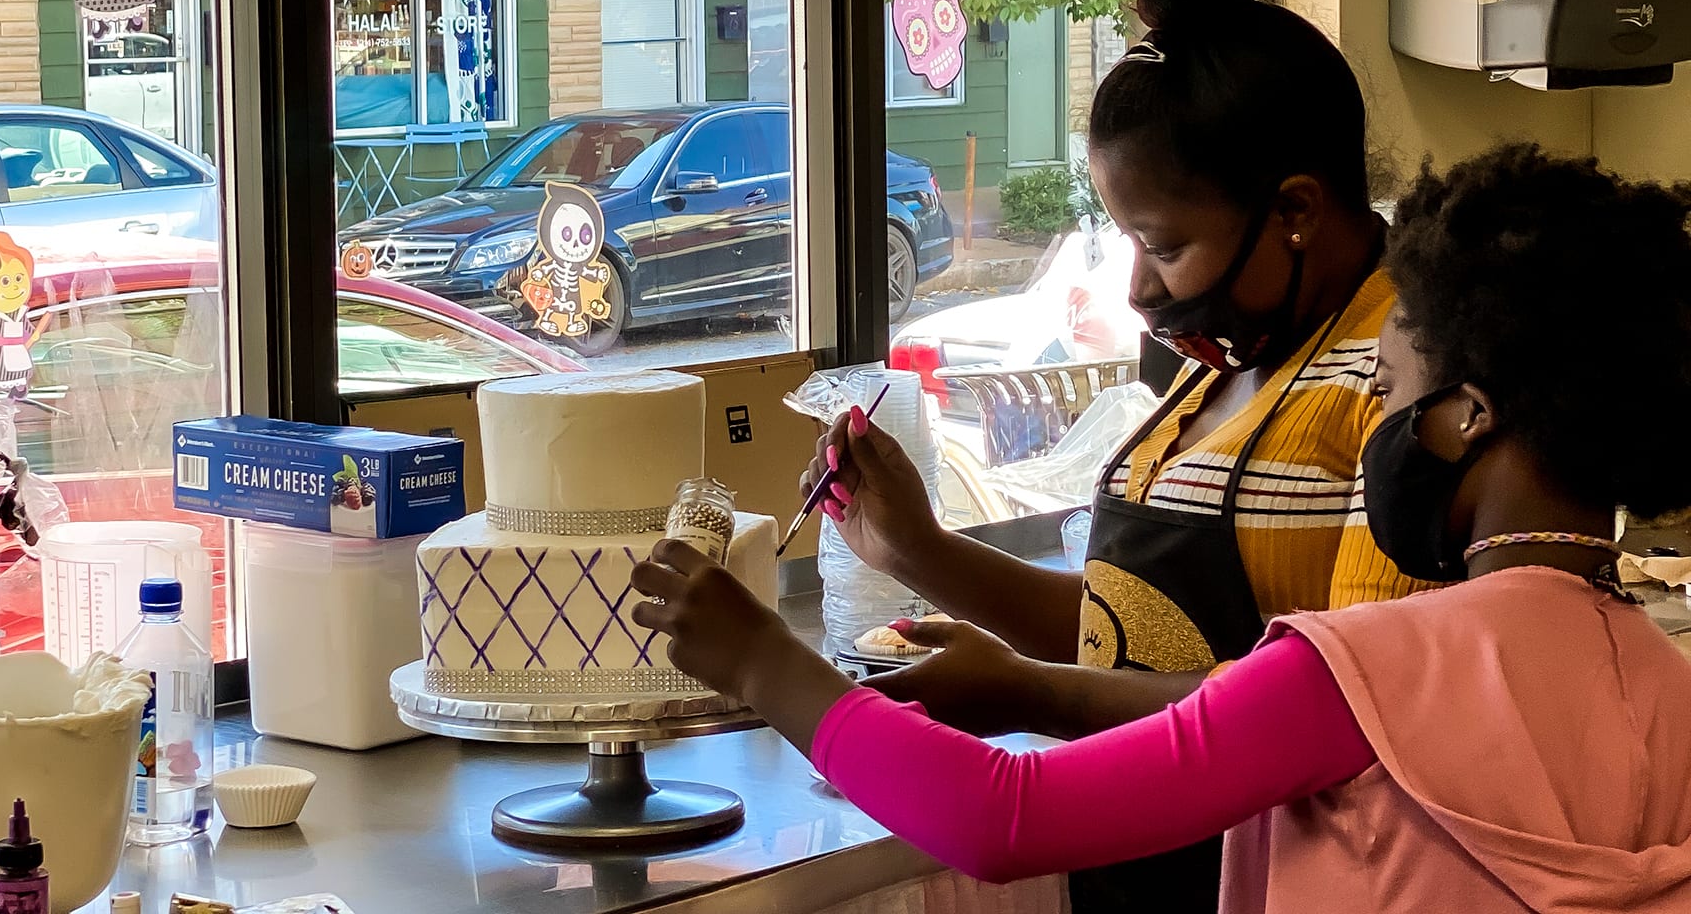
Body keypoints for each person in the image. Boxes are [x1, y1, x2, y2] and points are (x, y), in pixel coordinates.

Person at [634, 142, 1691, 912]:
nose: (1375, 424)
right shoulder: (1668, 691)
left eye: (1383, 392)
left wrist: (764, 663)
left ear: (1464, 414)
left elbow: (1000, 817)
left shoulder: (1363, 673)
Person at [808, 0, 1432, 908]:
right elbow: (1134, 635)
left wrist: (1025, 692)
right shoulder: (1237, 357)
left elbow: (1342, 712)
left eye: (1166, 245)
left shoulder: (1396, 381)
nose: (1137, 289)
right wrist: (911, 548)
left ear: (1296, 210)